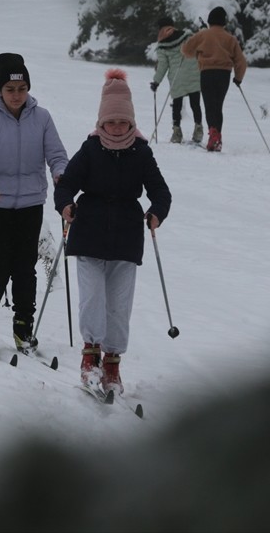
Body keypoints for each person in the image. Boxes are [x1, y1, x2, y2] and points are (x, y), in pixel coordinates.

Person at [54, 68, 171, 395]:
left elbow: (161, 193)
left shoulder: (142, 152)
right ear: (101, 123)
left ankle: (112, 364)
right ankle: (89, 356)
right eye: (111, 122)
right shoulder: (90, 149)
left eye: (123, 122)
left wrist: (156, 213)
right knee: (92, 298)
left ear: (132, 123)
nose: (117, 128)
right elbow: (66, 187)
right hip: (88, 232)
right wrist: (66, 206)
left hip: (126, 237)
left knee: (119, 305)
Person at [0, 53, 68, 353]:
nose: (16, 95)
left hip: (31, 204)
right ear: (0, 91)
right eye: (10, 90)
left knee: (25, 269)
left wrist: (61, 175)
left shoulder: (43, 117)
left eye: (22, 89)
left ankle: (24, 327)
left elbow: (57, 156)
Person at [181, 6, 247, 152]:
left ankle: (214, 136)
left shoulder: (203, 35)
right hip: (224, 75)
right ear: (224, 22)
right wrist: (238, 78)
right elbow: (241, 61)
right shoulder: (230, 39)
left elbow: (186, 50)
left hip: (207, 73)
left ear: (210, 21)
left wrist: (197, 52)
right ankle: (217, 137)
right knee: (218, 106)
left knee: (209, 105)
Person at [151, 16, 204, 144]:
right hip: (193, 73)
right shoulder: (187, 36)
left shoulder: (162, 45)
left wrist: (156, 81)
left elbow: (163, 66)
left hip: (177, 76)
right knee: (195, 103)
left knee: (177, 104)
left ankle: (177, 132)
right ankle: (198, 129)